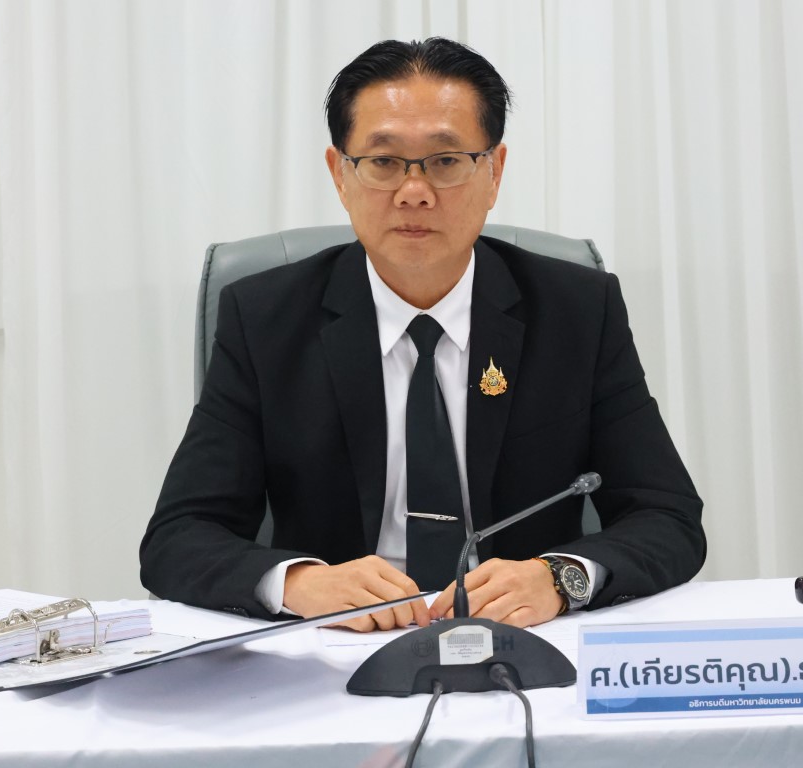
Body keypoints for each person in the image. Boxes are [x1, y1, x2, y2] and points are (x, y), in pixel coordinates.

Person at [140, 37, 705, 632]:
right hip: (341, 645)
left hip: (523, 636)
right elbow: (178, 537)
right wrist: (302, 583)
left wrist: (561, 577)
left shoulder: (577, 310)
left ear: (494, 172)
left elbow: (667, 516)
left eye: (446, 160)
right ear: (340, 174)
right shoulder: (265, 319)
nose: (414, 191)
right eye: (383, 162)